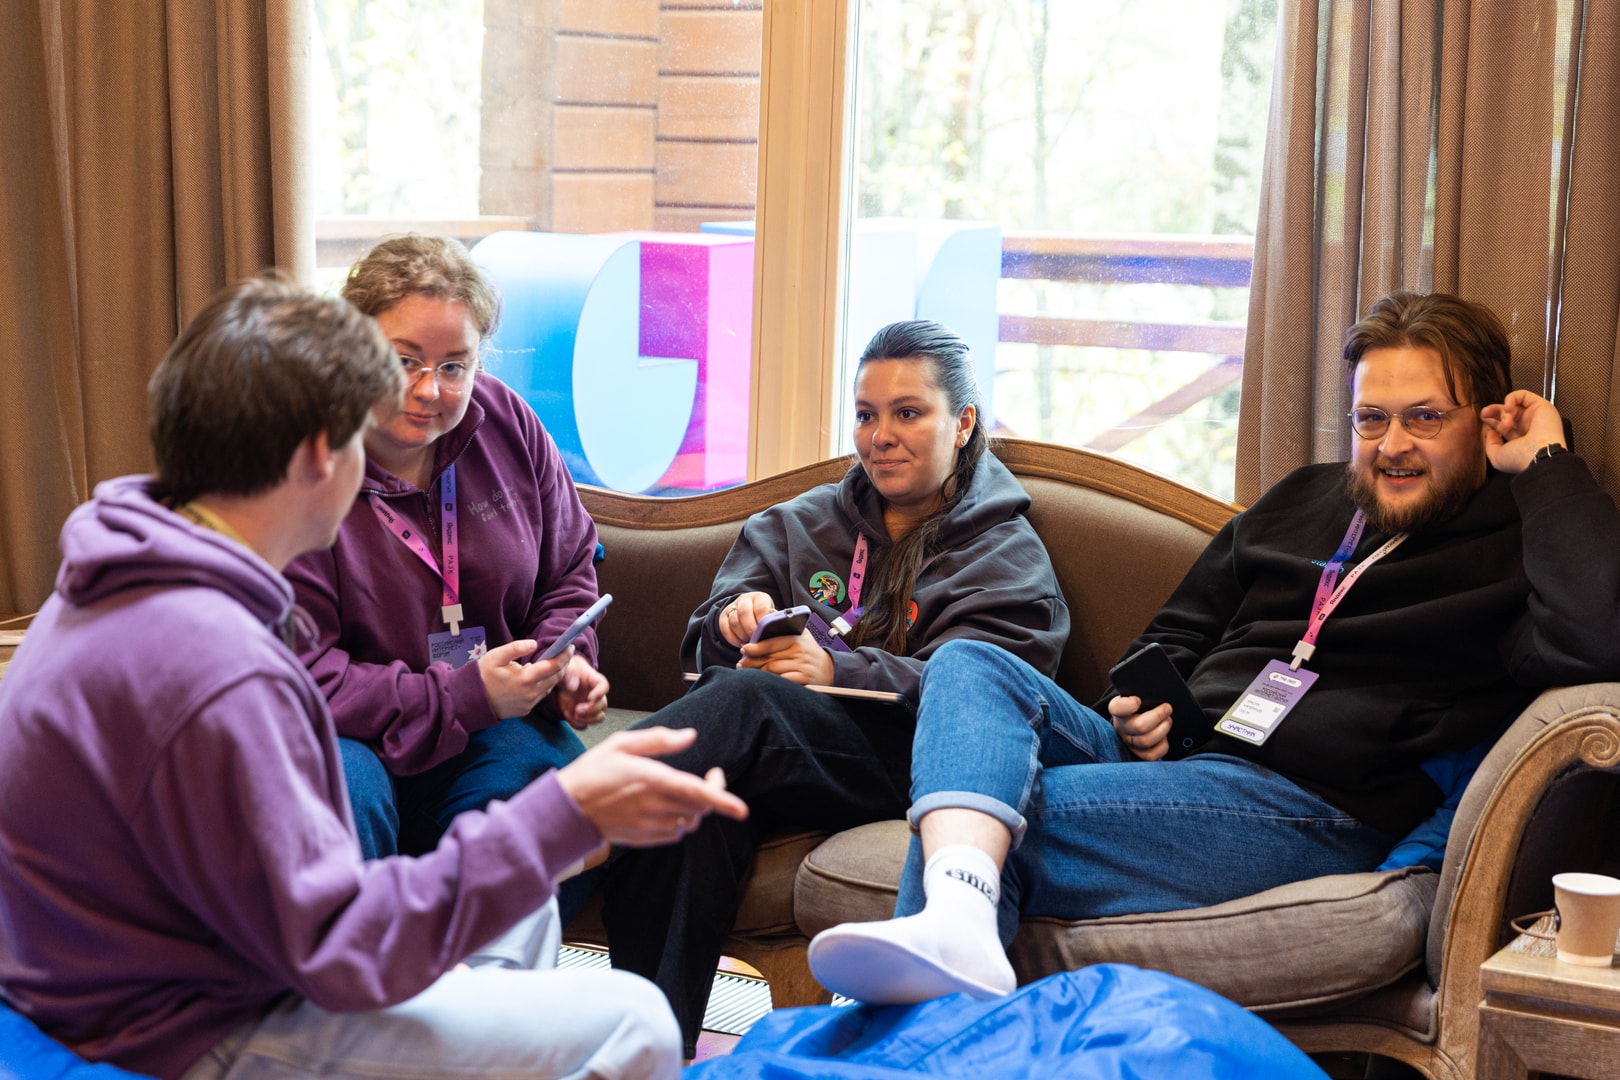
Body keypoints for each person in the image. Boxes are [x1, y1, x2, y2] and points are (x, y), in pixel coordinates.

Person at [0, 277, 746, 1079]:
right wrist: (563, 814)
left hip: (141, 969)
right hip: (180, 1022)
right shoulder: (219, 666)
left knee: (520, 913)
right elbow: (338, 950)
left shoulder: (121, 565)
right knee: (632, 1019)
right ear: (322, 456)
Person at [807, 290, 1620, 1004]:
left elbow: (1594, 643)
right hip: (1178, 757)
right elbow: (1174, 633)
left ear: (1486, 420)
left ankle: (929, 964)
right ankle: (955, 926)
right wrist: (1137, 709)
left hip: (1305, 805)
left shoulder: (1520, 538)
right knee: (968, 664)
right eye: (1372, 418)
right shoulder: (1302, 499)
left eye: (1425, 418)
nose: (1393, 443)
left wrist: (1547, 463)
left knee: (980, 828)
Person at [599, 320, 1070, 1055]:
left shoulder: (1006, 552)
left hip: (912, 764)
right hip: (772, 749)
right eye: (866, 414)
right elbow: (701, 646)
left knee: (745, 707)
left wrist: (836, 671)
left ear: (963, 422)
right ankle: (644, 1054)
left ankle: (566, 821)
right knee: (691, 811)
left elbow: (995, 691)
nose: (881, 436)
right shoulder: (799, 523)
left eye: (908, 413)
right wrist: (733, 621)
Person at [285, 235, 608, 895]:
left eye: (454, 366)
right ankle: (359, 960)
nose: (429, 389)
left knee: (539, 807)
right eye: (403, 360)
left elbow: (568, 571)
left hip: (496, 724)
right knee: (339, 796)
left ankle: (487, 962)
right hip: (349, 734)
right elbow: (303, 673)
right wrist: (462, 694)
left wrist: (562, 662)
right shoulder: (299, 463)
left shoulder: (507, 421)